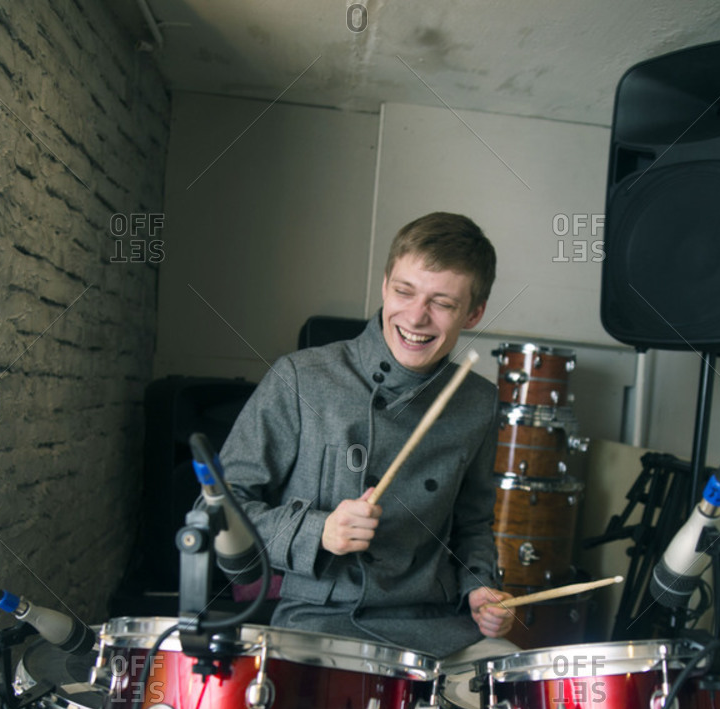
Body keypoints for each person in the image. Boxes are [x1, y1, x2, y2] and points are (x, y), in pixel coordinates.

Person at [213, 212, 514, 661]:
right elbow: (220, 509)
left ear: (474, 312)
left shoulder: (477, 402)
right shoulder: (302, 378)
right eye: (404, 291)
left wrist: (480, 587)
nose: (416, 317)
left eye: (442, 303)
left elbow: (471, 525)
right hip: (318, 623)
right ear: (384, 285)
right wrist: (319, 531)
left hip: (433, 625)